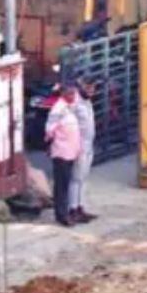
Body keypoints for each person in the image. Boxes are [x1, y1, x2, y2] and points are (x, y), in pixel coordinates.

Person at [45, 83, 84, 226]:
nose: (73, 96)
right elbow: (49, 130)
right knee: (61, 185)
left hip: (70, 151)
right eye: (70, 94)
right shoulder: (58, 109)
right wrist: (51, 145)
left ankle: (65, 212)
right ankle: (61, 215)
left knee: (66, 183)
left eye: (74, 93)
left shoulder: (69, 108)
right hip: (61, 151)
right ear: (63, 94)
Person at [71, 81, 99, 224]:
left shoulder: (87, 102)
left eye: (93, 88)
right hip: (78, 145)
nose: (91, 91)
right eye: (88, 87)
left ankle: (81, 207)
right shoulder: (74, 102)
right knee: (76, 179)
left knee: (83, 178)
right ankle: (73, 209)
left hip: (88, 145)